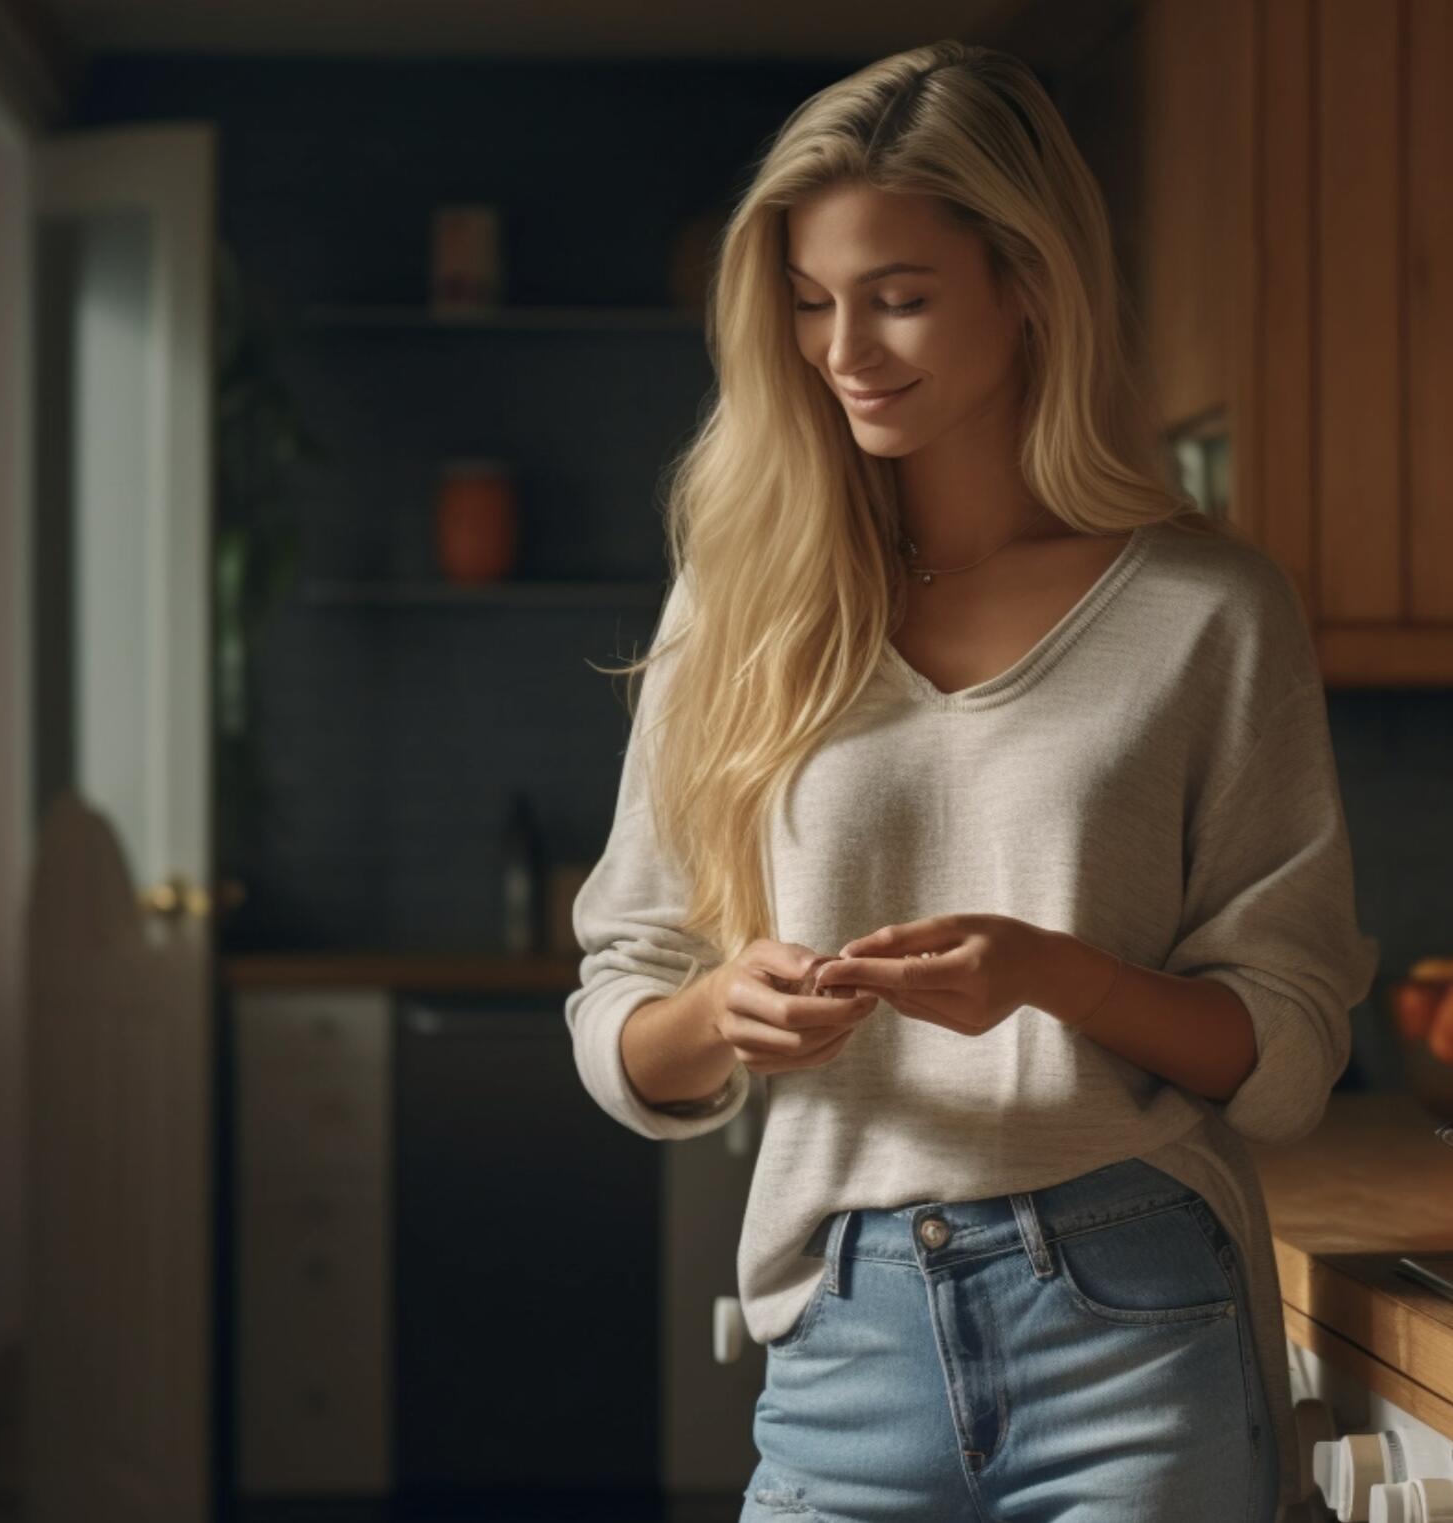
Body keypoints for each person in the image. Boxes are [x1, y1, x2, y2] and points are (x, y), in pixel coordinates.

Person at [566, 38, 1379, 1523]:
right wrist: (714, 1014)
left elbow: (1286, 1049)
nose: (843, 350)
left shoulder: (1209, 609)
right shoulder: (738, 606)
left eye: (899, 296)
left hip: (1137, 1321)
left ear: (1026, 285)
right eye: (810, 303)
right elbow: (618, 1011)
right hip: (840, 1331)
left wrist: (1053, 974)